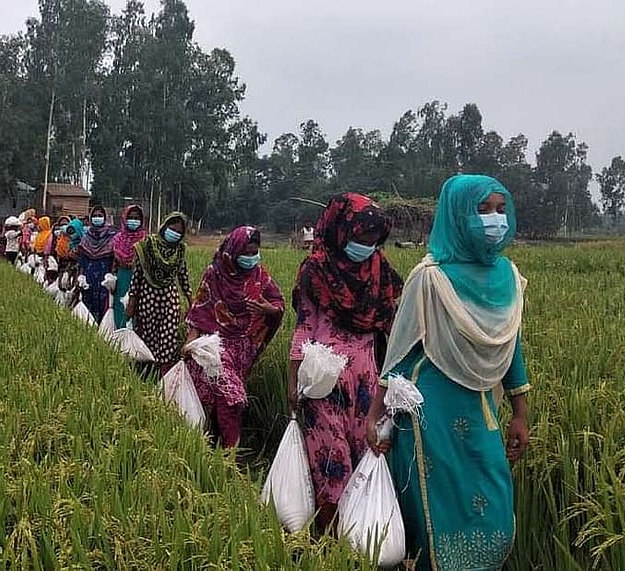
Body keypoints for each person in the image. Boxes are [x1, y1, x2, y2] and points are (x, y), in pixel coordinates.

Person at [367, 174, 531, 570]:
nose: (495, 219)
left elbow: (510, 348)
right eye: (483, 210)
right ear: (458, 216)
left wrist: (521, 412)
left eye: (500, 209)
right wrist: (375, 415)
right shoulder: (430, 277)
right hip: (429, 415)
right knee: (434, 514)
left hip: (480, 407)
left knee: (492, 498)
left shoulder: (507, 276)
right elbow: (401, 356)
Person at [288, 193, 404, 531]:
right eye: (360, 238)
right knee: (330, 459)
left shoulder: (379, 269)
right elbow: (305, 326)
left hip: (367, 380)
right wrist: (292, 378)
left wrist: (393, 382)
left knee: (361, 454)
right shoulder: (317, 269)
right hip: (324, 378)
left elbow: (392, 326)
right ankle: (330, 538)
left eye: (373, 240)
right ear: (341, 230)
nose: (366, 246)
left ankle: (358, 536)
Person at [185, 226, 285, 448]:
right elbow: (199, 309)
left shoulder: (260, 274)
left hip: (243, 346)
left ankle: (222, 445)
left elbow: (278, 303)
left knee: (225, 397)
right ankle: (228, 447)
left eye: (254, 252)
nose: (251, 258)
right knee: (228, 395)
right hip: (214, 345)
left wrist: (267, 309)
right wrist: (191, 341)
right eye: (246, 253)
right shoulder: (215, 274)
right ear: (233, 250)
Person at [127, 212, 192, 374]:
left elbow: (183, 276)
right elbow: (137, 276)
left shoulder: (179, 250)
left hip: (169, 300)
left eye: (179, 232)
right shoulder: (147, 246)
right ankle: (146, 372)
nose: (175, 234)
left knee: (168, 337)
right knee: (148, 336)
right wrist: (132, 302)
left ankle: (164, 374)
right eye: (172, 229)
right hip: (148, 298)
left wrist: (192, 302)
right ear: (164, 227)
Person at [110, 205, 148, 328]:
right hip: (121, 278)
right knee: (120, 306)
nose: (133, 220)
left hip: (140, 280)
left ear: (141, 220)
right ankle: (119, 334)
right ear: (125, 219)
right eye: (130, 217)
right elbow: (113, 264)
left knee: (136, 308)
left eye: (136, 218)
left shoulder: (145, 240)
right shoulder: (117, 239)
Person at [77, 206, 117, 321]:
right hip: (89, 276)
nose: (97, 218)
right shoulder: (86, 238)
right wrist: (81, 276)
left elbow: (115, 259)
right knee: (87, 303)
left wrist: (113, 276)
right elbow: (82, 259)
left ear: (105, 218)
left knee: (104, 304)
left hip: (105, 276)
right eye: (95, 216)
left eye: (100, 216)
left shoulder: (111, 237)